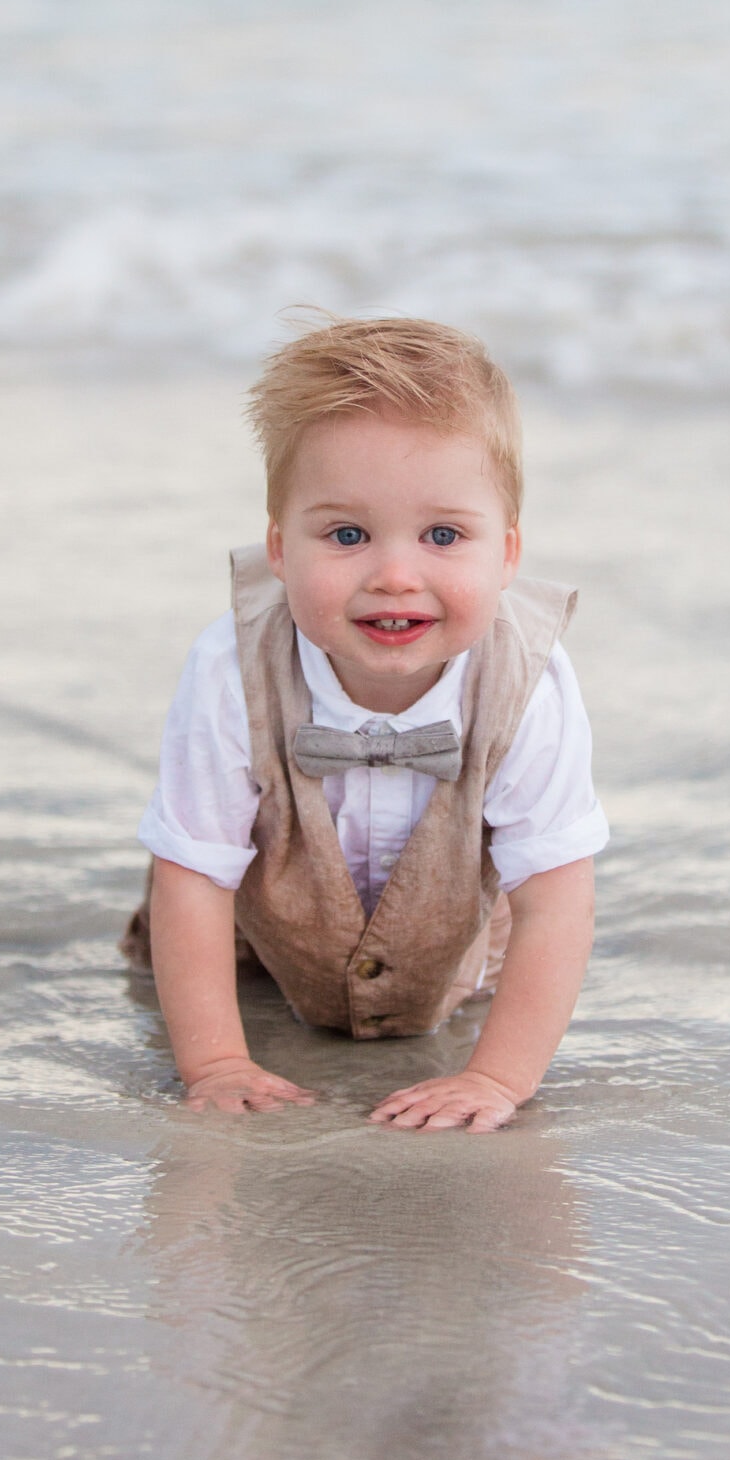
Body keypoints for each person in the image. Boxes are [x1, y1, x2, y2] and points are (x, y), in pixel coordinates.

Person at [123, 315, 607, 1132]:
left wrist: (496, 1078)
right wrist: (216, 1062)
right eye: (347, 534)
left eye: (444, 535)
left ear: (509, 553)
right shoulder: (229, 672)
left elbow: (558, 901)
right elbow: (195, 880)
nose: (393, 574)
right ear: (279, 548)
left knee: (499, 954)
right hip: (255, 940)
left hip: (452, 956)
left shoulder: (532, 686)